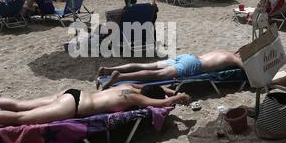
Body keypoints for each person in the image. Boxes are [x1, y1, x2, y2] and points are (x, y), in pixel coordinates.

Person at [0, 84, 191, 131]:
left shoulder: (129, 86)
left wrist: (171, 89)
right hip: (74, 107)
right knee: (21, 118)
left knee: (21, 105)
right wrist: (179, 97)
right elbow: (162, 102)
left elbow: (159, 92)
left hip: (71, 92)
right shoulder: (136, 99)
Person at [97, 50, 243, 90]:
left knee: (148, 65)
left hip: (187, 56)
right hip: (193, 65)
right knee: (158, 75)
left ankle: (109, 69)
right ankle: (120, 77)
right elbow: (246, 67)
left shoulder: (222, 51)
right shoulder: (232, 58)